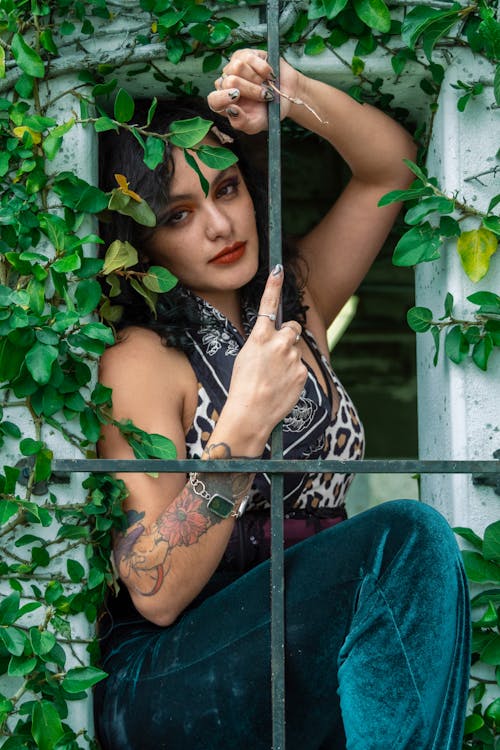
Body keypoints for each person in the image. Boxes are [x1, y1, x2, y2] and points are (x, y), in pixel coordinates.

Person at [94, 50, 470, 749]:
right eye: (179, 214)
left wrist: (293, 95)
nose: (219, 225)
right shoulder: (139, 359)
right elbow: (155, 588)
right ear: (140, 243)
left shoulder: (298, 298)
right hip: (178, 671)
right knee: (408, 536)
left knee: (411, 557)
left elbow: (390, 168)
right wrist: (242, 425)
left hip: (311, 651)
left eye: (228, 188)